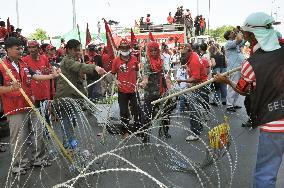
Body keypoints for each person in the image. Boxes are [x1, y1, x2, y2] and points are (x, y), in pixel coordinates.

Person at [214, 12, 284, 188]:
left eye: (246, 34)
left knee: (265, 175)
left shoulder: (250, 64)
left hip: (273, 124)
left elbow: (242, 91)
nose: (244, 37)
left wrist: (226, 80)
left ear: (253, 35)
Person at [0, 37, 61, 175]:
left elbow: (36, 77)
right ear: (8, 50)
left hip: (30, 104)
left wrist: (52, 75)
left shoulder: (23, 63)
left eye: (21, 48)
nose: (21, 51)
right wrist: (10, 88)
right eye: (17, 48)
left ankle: (38, 158)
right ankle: (20, 165)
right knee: (19, 137)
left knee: (38, 132)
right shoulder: (1, 66)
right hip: (15, 108)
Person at [54, 39, 106, 149]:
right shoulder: (68, 60)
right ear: (68, 50)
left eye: (79, 50)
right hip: (66, 97)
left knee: (71, 122)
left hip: (73, 97)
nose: (78, 52)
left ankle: (70, 145)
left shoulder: (74, 59)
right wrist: (95, 67)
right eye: (75, 50)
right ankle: (69, 147)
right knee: (67, 123)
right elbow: (80, 67)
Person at [140, 41, 171, 142]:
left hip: (162, 91)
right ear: (149, 51)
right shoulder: (147, 63)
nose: (153, 52)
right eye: (151, 50)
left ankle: (164, 131)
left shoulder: (160, 60)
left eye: (155, 50)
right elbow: (146, 76)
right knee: (148, 115)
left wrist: (167, 87)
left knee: (166, 112)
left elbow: (163, 74)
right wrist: (144, 82)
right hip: (150, 93)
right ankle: (145, 135)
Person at [178, 43, 209, 141]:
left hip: (199, 86)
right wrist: (187, 68)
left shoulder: (194, 61)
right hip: (201, 84)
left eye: (183, 54)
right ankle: (199, 126)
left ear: (189, 52)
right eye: (181, 54)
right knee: (197, 108)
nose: (182, 56)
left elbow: (195, 78)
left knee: (193, 109)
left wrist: (183, 81)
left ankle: (195, 132)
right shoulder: (194, 55)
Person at [111, 39, 141, 139]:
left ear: (129, 48)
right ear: (120, 49)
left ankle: (137, 130)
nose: (124, 49)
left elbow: (137, 72)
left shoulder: (134, 59)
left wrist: (139, 80)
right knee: (123, 112)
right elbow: (112, 74)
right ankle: (124, 132)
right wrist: (116, 81)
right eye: (122, 47)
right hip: (122, 91)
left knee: (136, 110)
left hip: (133, 90)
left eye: (126, 47)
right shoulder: (116, 61)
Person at [223, 28, 245, 112]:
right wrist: (237, 32)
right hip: (234, 68)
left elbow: (244, 39)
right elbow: (239, 39)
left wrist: (241, 31)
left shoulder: (235, 44)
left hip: (238, 67)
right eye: (232, 32)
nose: (234, 33)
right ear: (229, 36)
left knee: (238, 86)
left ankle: (234, 103)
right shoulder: (228, 43)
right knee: (232, 86)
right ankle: (229, 105)